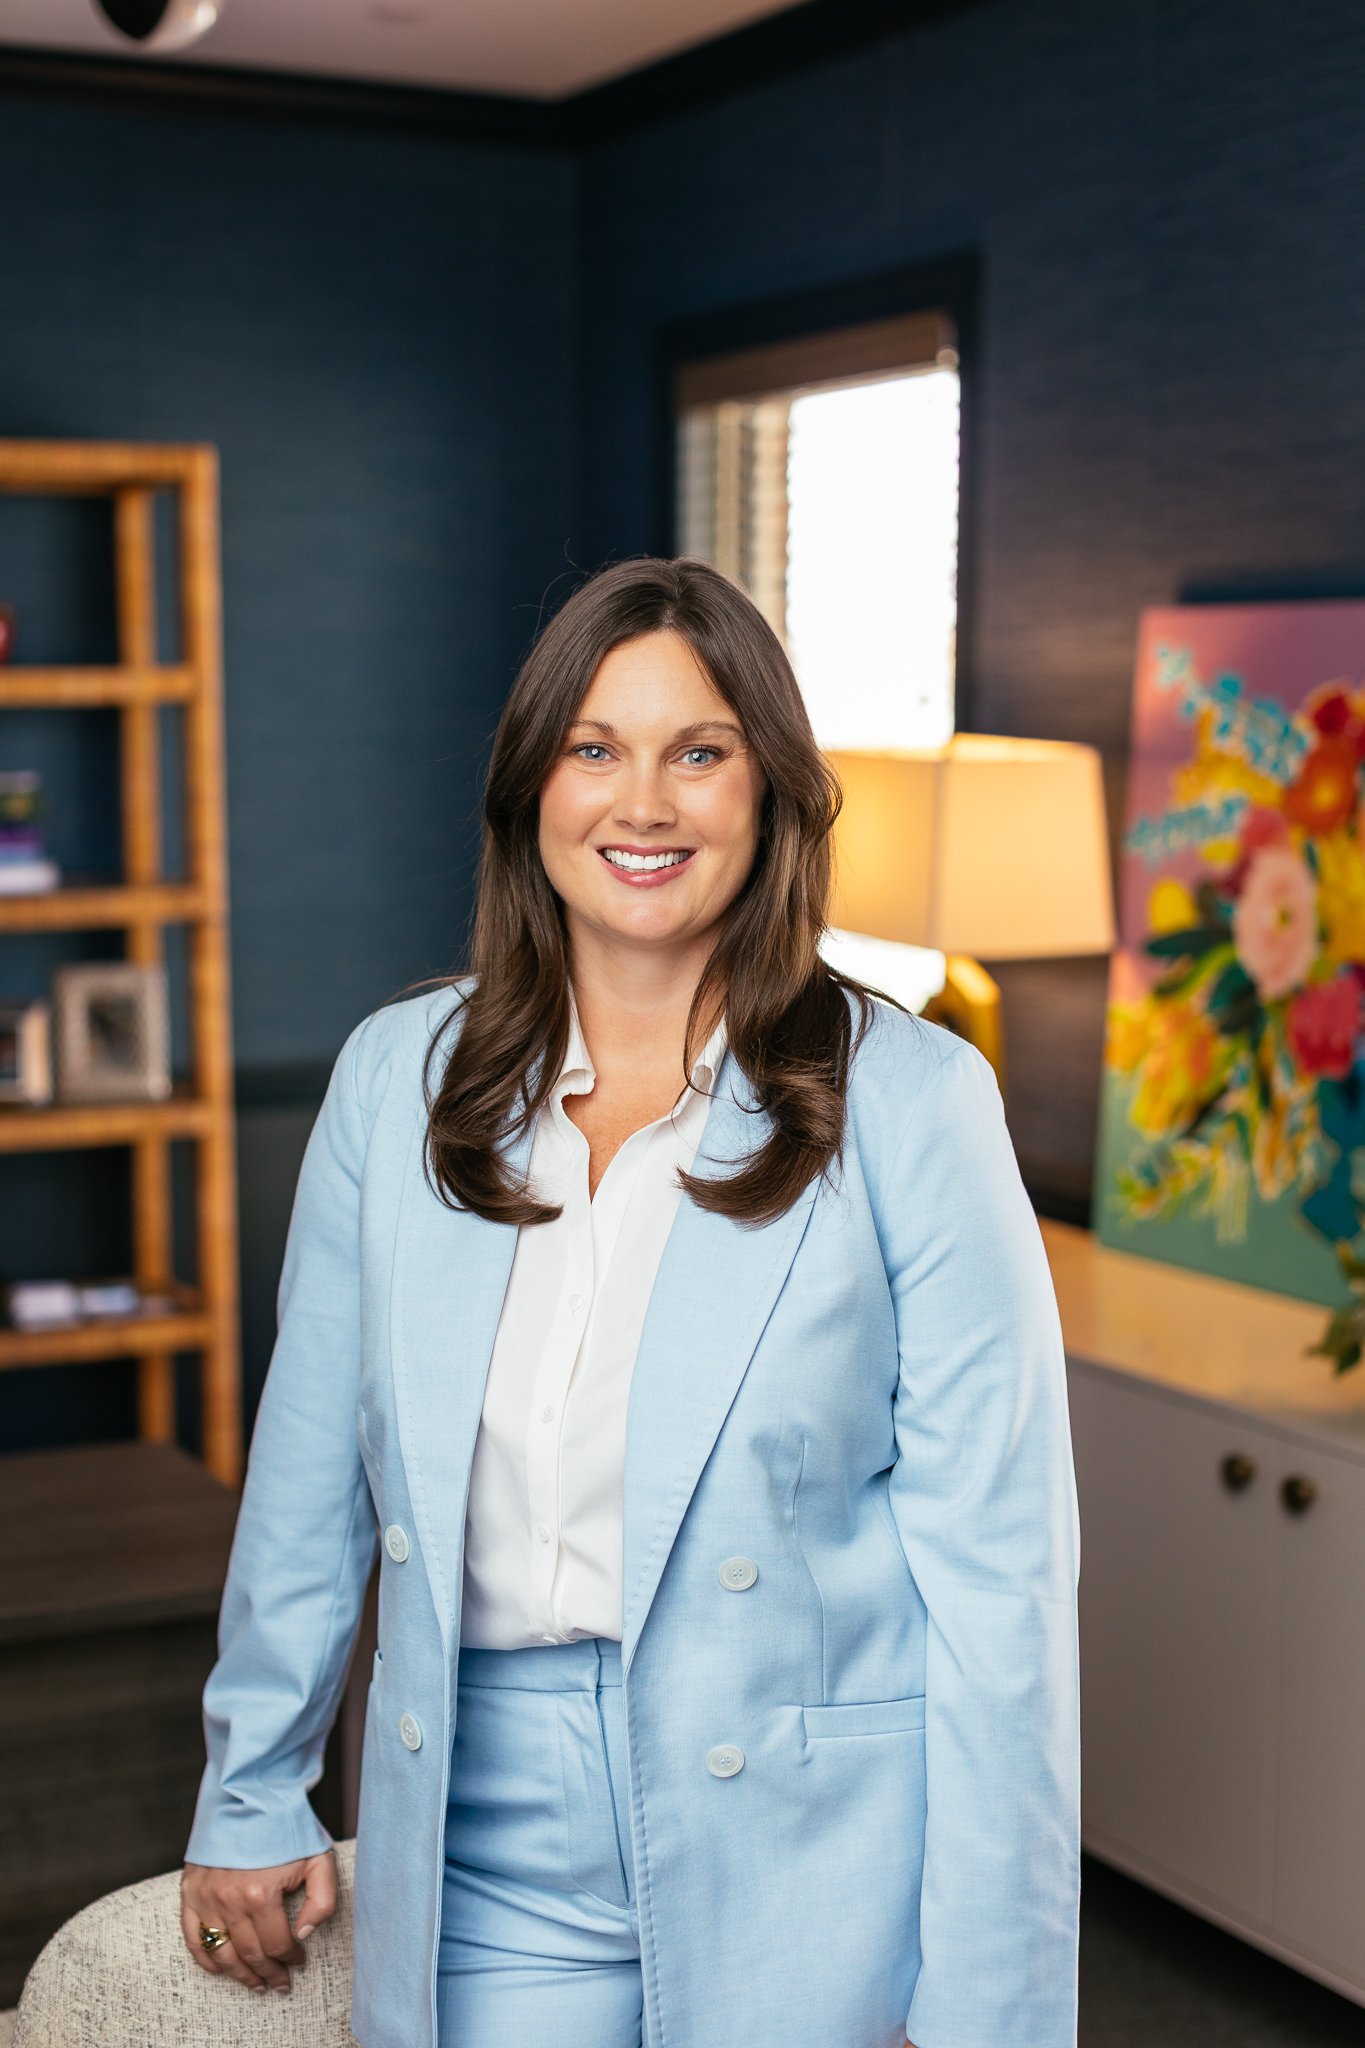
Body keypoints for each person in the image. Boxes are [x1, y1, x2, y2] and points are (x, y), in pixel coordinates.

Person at [180, 555, 1081, 2048]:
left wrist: (994, 2006)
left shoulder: (915, 1104)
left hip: (812, 1832)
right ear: (532, 789)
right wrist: (251, 1776)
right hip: (479, 1820)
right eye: (595, 748)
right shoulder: (394, 1083)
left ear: (770, 794)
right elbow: (309, 1474)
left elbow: (999, 1591)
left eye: (699, 753)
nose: (642, 805)